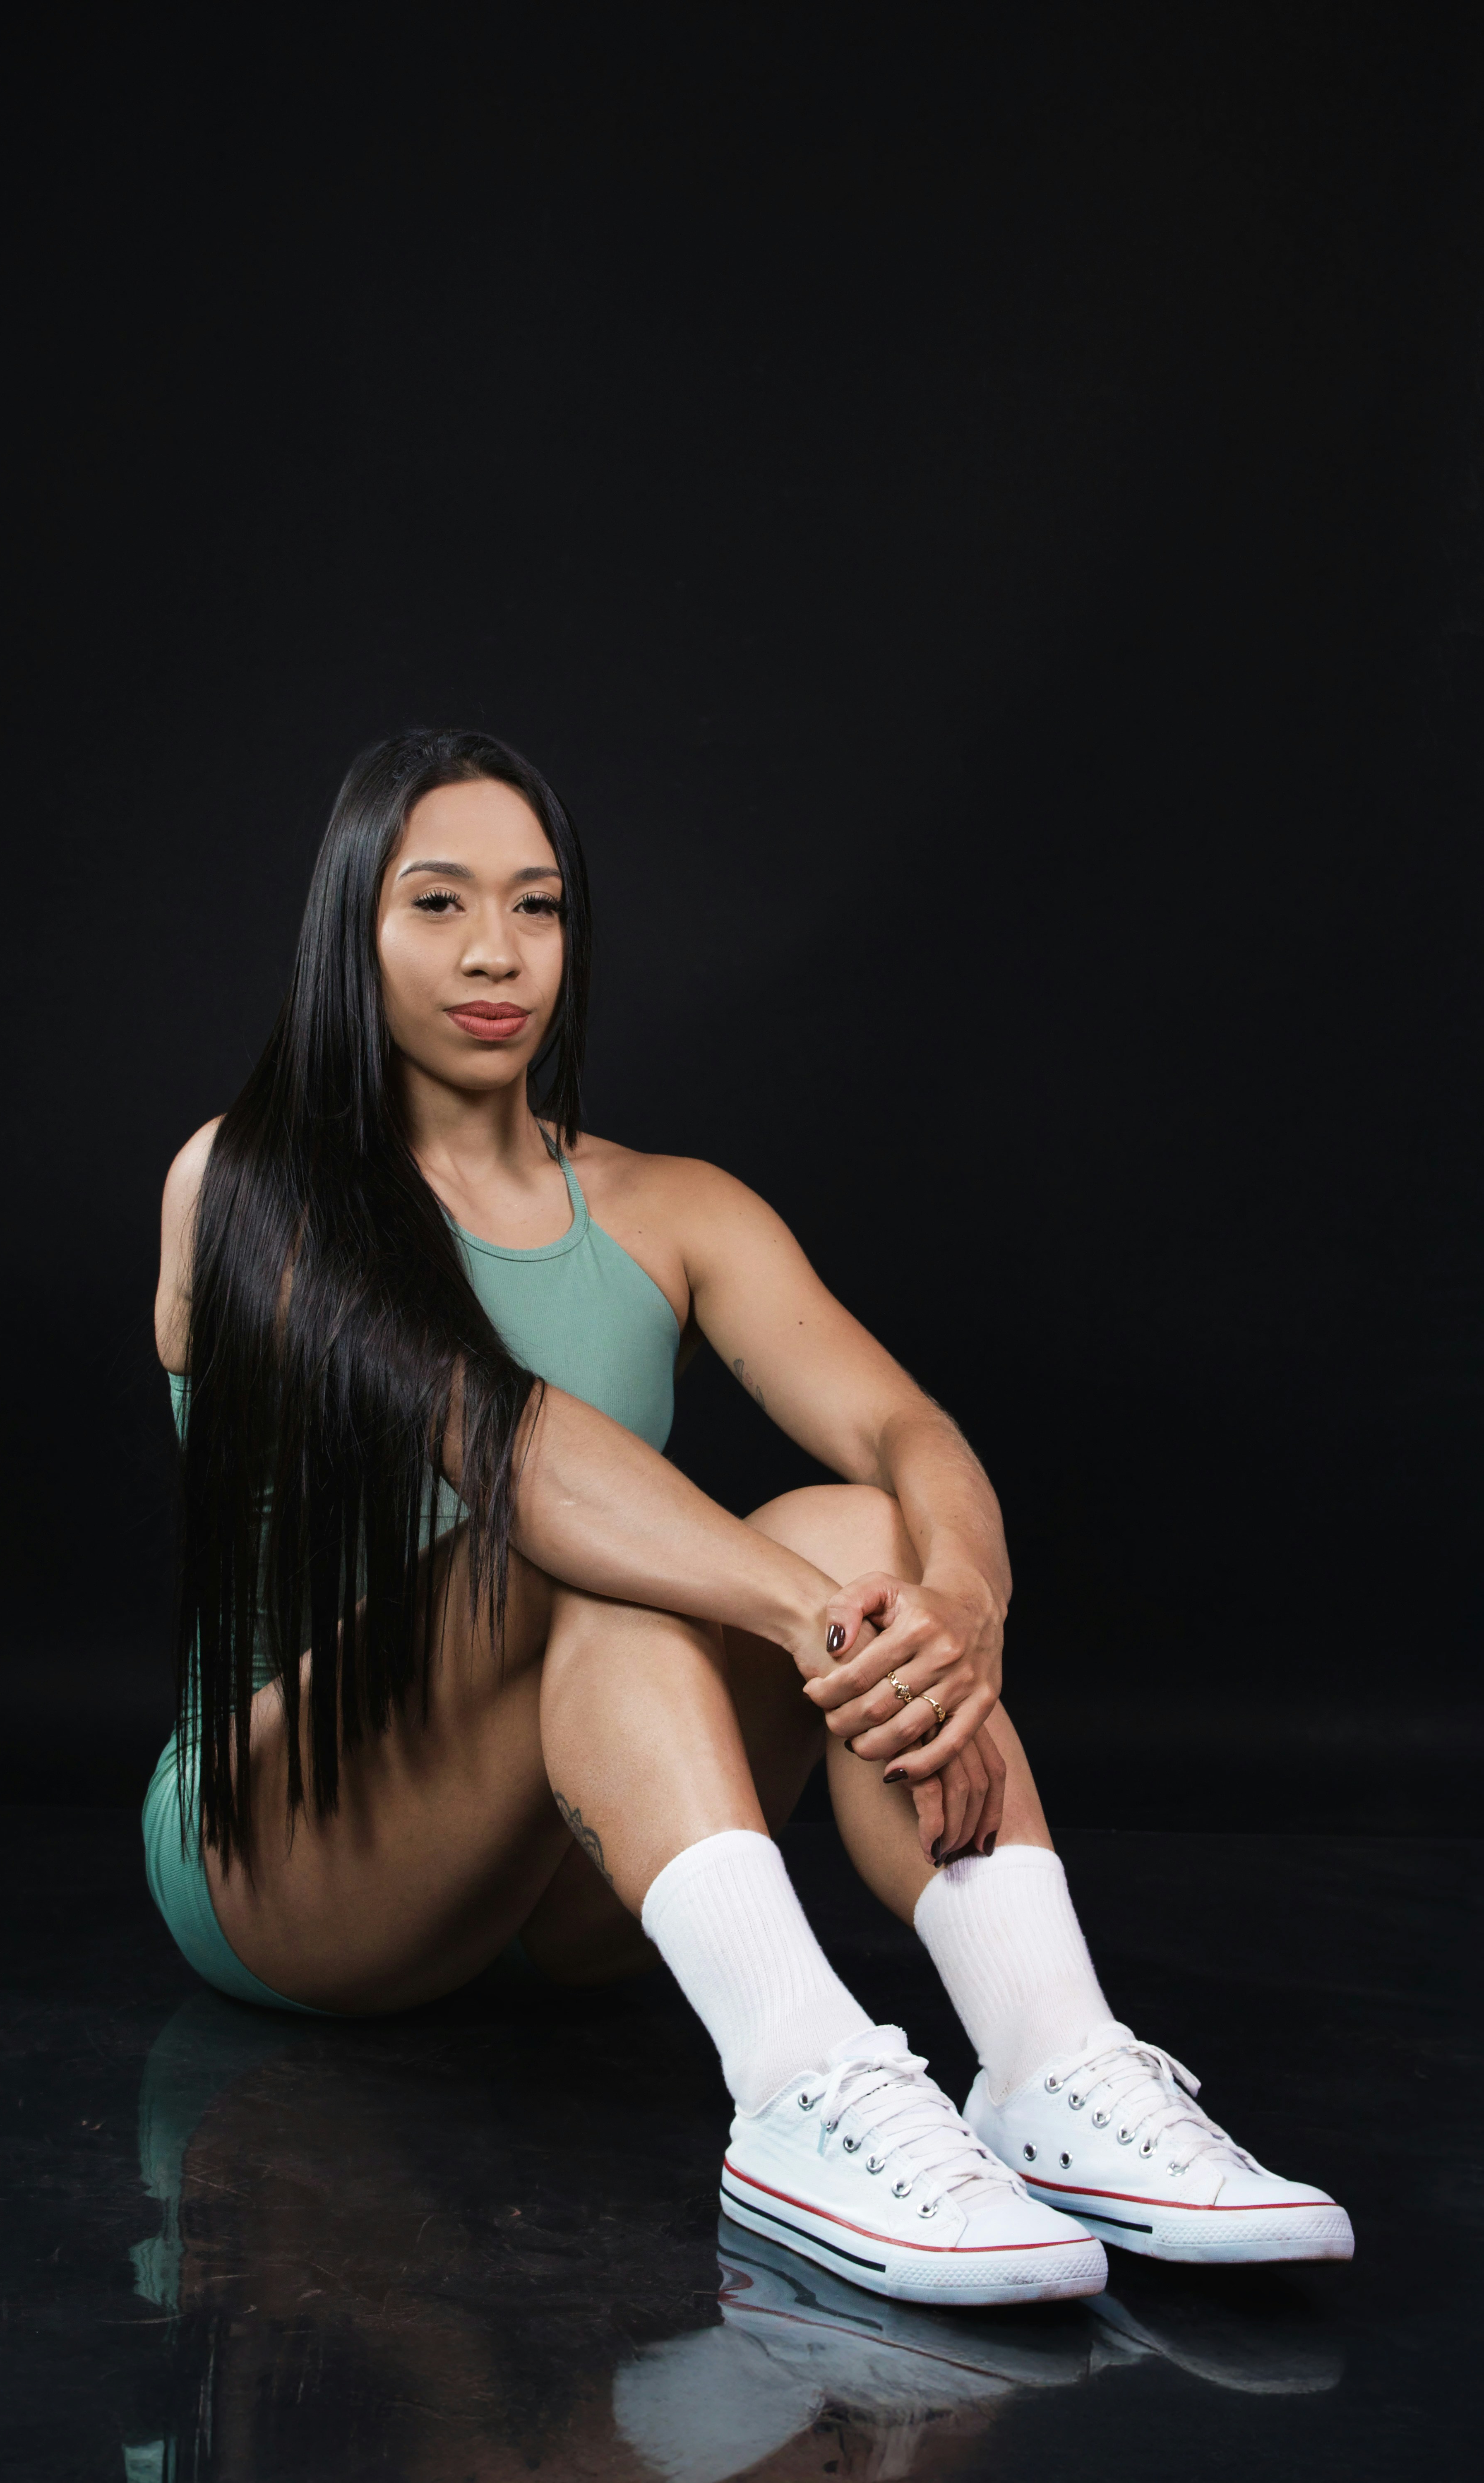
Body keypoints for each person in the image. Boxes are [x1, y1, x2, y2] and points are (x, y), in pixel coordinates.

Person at [144, 728, 1352, 2308]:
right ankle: (798, 2088)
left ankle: (1055, 2065)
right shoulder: (252, 1182)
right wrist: (812, 1615)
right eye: (435, 905)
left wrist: (960, 1613)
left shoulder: (671, 1207)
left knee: (867, 1521)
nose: (496, 953)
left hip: (570, 1869)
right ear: (348, 933)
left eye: (539, 906)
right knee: (597, 1565)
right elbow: (507, 1452)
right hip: (292, 1846)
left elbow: (910, 1431)